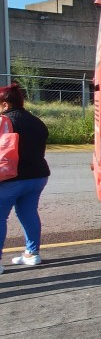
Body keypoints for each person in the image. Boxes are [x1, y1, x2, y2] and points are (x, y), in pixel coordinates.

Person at [0, 83, 50, 272]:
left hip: (10, 179)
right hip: (38, 176)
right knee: (28, 212)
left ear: (5, 104)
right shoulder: (37, 121)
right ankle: (32, 254)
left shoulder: (4, 121)